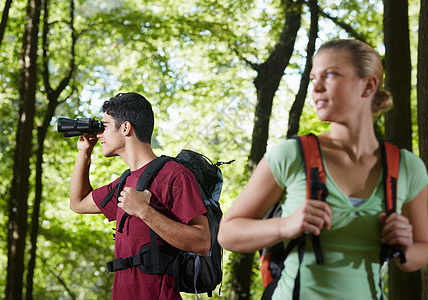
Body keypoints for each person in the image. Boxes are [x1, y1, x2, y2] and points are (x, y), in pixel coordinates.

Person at [217, 39, 428, 299]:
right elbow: (227, 233)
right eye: (313, 77)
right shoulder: (292, 155)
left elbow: (423, 249)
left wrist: (404, 248)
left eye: (330, 75)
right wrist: (286, 225)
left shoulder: (406, 167)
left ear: (368, 85)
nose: (315, 87)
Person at [69, 92, 210, 299]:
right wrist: (84, 153)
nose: (99, 135)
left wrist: (144, 211)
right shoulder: (123, 183)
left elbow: (202, 242)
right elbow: (78, 203)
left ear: (125, 127)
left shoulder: (174, 174)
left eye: (104, 127)